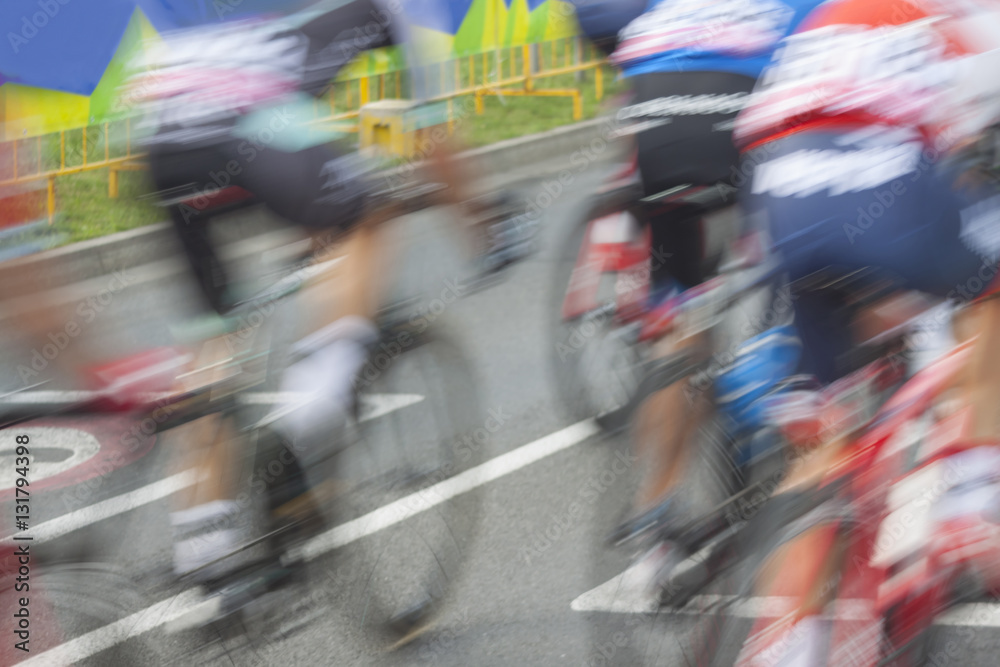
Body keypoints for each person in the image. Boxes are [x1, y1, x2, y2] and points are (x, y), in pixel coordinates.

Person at [126, 0, 500, 582]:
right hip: (248, 123)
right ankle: (310, 414)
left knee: (217, 339)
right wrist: (481, 225)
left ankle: (203, 548)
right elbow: (435, 133)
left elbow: (300, 109)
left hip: (162, 138)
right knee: (364, 216)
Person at [730, 0, 1000, 660]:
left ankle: (784, 639)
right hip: (879, 181)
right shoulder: (971, 22)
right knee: (987, 300)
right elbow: (970, 164)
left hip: (780, 194)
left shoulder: (828, 14)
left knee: (834, 437)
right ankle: (973, 485)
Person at [602, 0, 826, 592]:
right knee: (806, 279)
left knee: (682, 313)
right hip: (738, 124)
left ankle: (655, 521)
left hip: (655, 132)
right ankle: (773, 399)